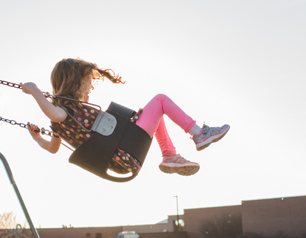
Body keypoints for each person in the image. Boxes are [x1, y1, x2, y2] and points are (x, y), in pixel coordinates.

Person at [21, 58, 229, 176]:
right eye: (88, 81)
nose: (91, 86)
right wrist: (35, 92)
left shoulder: (66, 121)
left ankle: (169, 154)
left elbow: (52, 148)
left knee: (154, 113)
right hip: (126, 149)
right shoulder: (67, 113)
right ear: (75, 82)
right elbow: (55, 114)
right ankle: (199, 134)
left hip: (121, 156)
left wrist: (37, 137)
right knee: (161, 100)